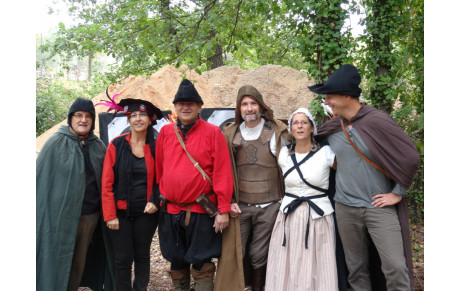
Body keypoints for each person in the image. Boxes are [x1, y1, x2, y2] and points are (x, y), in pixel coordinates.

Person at [312, 64, 420, 291]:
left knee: (395, 268)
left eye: (329, 96)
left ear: (346, 96)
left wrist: (398, 192)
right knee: (356, 268)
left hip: (378, 207)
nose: (326, 101)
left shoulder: (377, 121)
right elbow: (310, 143)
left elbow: (410, 157)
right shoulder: (334, 127)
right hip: (345, 207)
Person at [155, 79, 233, 291]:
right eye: (181, 103)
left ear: (200, 107)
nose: (185, 107)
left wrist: (223, 210)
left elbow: (222, 173)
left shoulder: (213, 132)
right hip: (171, 210)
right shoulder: (165, 133)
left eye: (190, 103)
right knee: (176, 260)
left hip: (201, 209)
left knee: (202, 262)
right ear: (175, 107)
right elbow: (160, 170)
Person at [215, 85, 292, 291]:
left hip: (270, 206)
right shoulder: (230, 133)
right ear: (239, 108)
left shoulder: (278, 131)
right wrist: (228, 201)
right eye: (244, 104)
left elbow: (292, 167)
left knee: (260, 252)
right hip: (239, 207)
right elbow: (222, 170)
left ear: (261, 106)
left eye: (253, 103)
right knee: (234, 253)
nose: (249, 108)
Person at [36, 97, 115, 291]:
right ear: (70, 118)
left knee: (79, 262)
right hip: (59, 217)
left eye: (88, 116)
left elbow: (107, 181)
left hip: (90, 217)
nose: (83, 120)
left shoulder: (98, 146)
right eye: (78, 115)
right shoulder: (55, 143)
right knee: (57, 261)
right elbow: (41, 183)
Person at [265, 108, 338, 291]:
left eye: (304, 122)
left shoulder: (326, 153)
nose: (299, 126)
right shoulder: (282, 154)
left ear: (312, 128)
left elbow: (349, 170)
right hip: (289, 216)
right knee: (287, 261)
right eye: (295, 123)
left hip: (318, 217)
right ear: (290, 129)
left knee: (318, 263)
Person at [101, 98, 163, 291]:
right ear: (128, 120)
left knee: (142, 255)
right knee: (122, 258)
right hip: (119, 214)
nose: (138, 119)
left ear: (150, 119)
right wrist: (110, 215)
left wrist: (155, 200)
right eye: (133, 115)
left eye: (142, 115)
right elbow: (107, 182)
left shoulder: (157, 146)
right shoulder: (117, 145)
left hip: (147, 213)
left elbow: (163, 178)